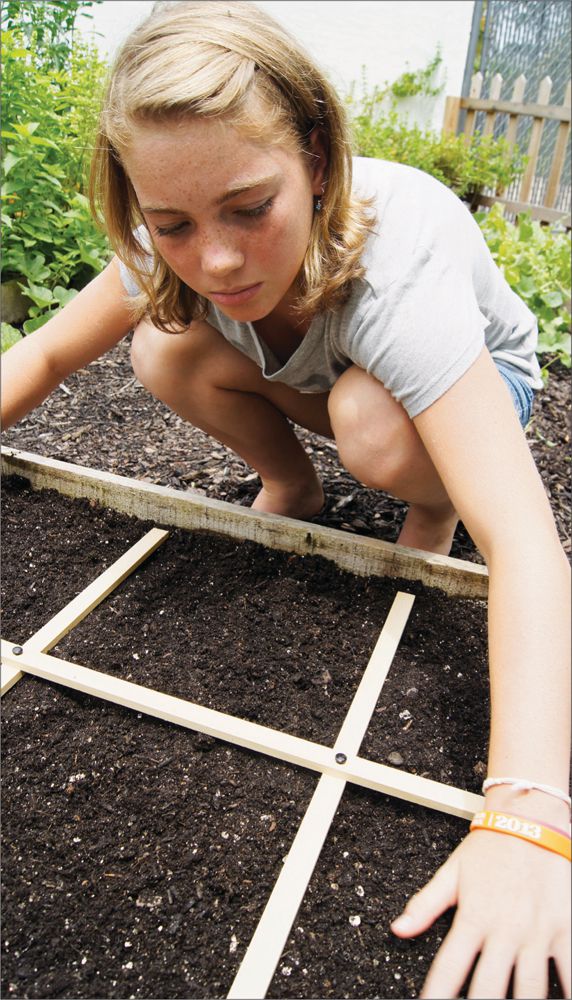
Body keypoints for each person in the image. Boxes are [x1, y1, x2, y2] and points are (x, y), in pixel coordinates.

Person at [2, 2, 570, 996]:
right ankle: (293, 487)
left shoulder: (400, 273)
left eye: (247, 208)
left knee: (373, 424)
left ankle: (422, 515)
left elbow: (526, 547)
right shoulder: (176, 234)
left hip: (476, 381)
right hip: (335, 365)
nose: (214, 258)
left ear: (314, 157)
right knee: (163, 345)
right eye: (171, 224)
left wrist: (526, 817)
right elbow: (46, 351)